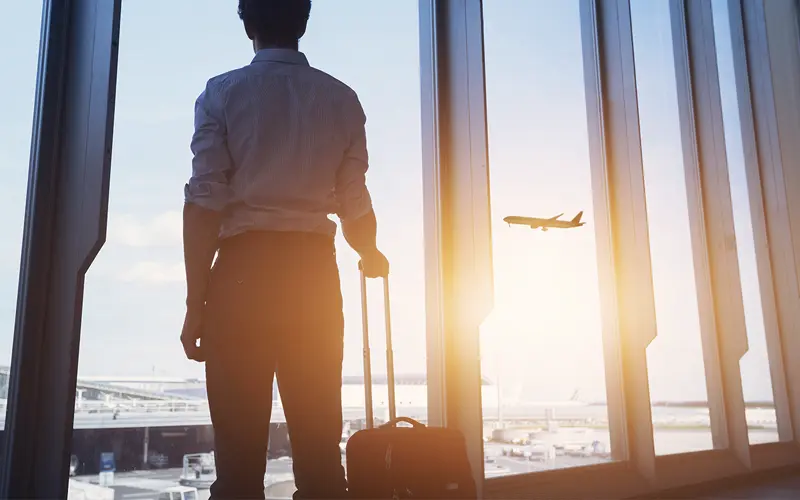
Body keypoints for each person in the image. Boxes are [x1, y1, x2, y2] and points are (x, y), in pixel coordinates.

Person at [179, 1, 389, 498]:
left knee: (238, 458)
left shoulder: (222, 93)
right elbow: (354, 202)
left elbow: (204, 203)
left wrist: (196, 304)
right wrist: (371, 252)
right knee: (319, 452)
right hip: (311, 274)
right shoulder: (341, 99)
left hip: (242, 276)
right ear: (304, 22)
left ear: (247, 24)